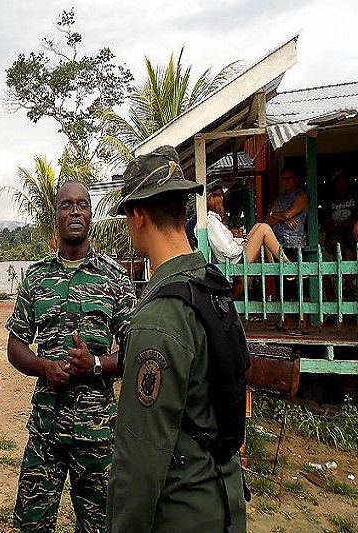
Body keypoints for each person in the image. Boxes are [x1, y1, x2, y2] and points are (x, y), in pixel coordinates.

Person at [107, 146, 247, 533]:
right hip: (225, 501)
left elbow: (140, 459)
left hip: (180, 513)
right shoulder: (213, 287)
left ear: (137, 214)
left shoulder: (159, 317)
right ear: (183, 208)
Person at [5, 181, 136, 533]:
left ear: (91, 215)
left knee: (99, 527)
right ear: (56, 217)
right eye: (66, 205)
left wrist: (94, 364)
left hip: (97, 433)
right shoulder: (35, 277)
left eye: (82, 205)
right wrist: (42, 367)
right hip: (46, 429)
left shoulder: (115, 278)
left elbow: (135, 352)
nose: (75, 211)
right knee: (32, 525)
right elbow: (15, 346)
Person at [205, 187, 289, 264]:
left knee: (258, 226)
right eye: (222, 205)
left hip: (237, 256)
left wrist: (242, 242)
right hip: (236, 260)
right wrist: (241, 248)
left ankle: (273, 263)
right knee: (264, 228)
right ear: (218, 206)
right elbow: (227, 250)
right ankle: (285, 262)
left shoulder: (216, 221)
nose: (223, 208)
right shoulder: (213, 223)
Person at [265, 168, 309, 251]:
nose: (287, 181)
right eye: (284, 179)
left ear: (296, 179)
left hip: (293, 245)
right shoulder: (278, 199)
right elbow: (267, 222)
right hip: (276, 244)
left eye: (290, 178)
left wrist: (273, 214)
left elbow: (288, 215)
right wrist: (284, 220)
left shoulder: (302, 196)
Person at [321, 170, 357, 259]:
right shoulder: (329, 201)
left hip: (353, 234)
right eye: (338, 182)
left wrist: (342, 225)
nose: (341, 185)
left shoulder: (354, 198)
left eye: (344, 182)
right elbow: (328, 225)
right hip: (334, 236)